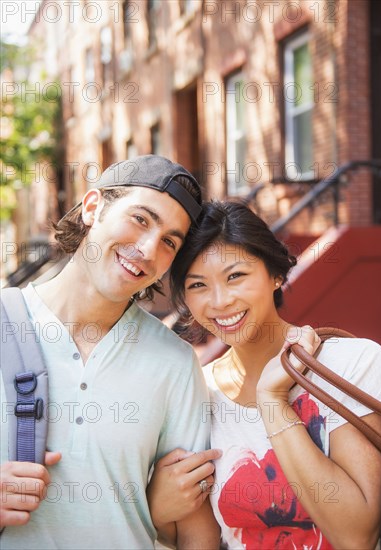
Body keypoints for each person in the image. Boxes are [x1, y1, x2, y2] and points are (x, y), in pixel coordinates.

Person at [0, 155, 221, 549]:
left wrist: (155, 504)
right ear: (92, 207)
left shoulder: (175, 363)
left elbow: (193, 528)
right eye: (140, 219)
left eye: (170, 241)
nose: (149, 249)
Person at [149, 200, 381, 549]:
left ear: (275, 274)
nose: (219, 301)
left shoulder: (352, 364)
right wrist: (158, 510)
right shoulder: (198, 393)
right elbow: (199, 536)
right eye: (197, 285)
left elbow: (356, 535)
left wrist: (272, 400)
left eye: (236, 276)